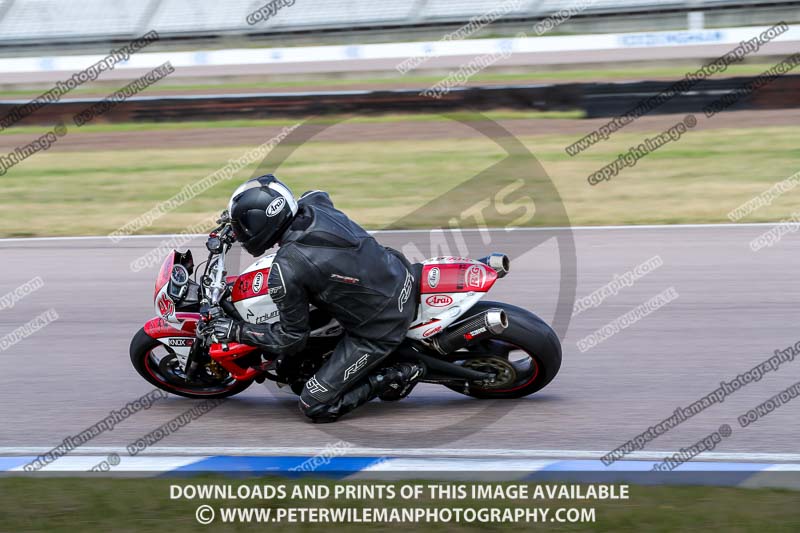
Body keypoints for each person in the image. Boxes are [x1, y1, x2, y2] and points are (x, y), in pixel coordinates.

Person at [201, 174, 423, 422]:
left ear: (261, 224)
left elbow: (292, 339)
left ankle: (396, 375)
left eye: (244, 225)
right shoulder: (315, 205)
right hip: (395, 270)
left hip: (382, 323)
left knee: (314, 405)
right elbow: (316, 192)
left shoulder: (287, 269)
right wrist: (235, 226)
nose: (241, 231)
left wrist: (236, 330)